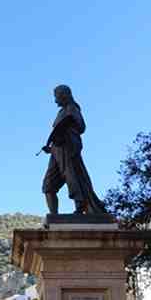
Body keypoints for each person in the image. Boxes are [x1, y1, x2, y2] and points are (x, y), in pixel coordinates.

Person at [41, 85, 106, 214]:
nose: (55, 101)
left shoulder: (72, 108)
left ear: (65, 95)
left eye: (57, 97)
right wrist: (50, 148)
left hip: (68, 148)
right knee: (48, 186)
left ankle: (80, 206)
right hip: (56, 151)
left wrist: (65, 133)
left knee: (73, 177)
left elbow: (81, 126)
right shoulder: (61, 112)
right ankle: (53, 216)